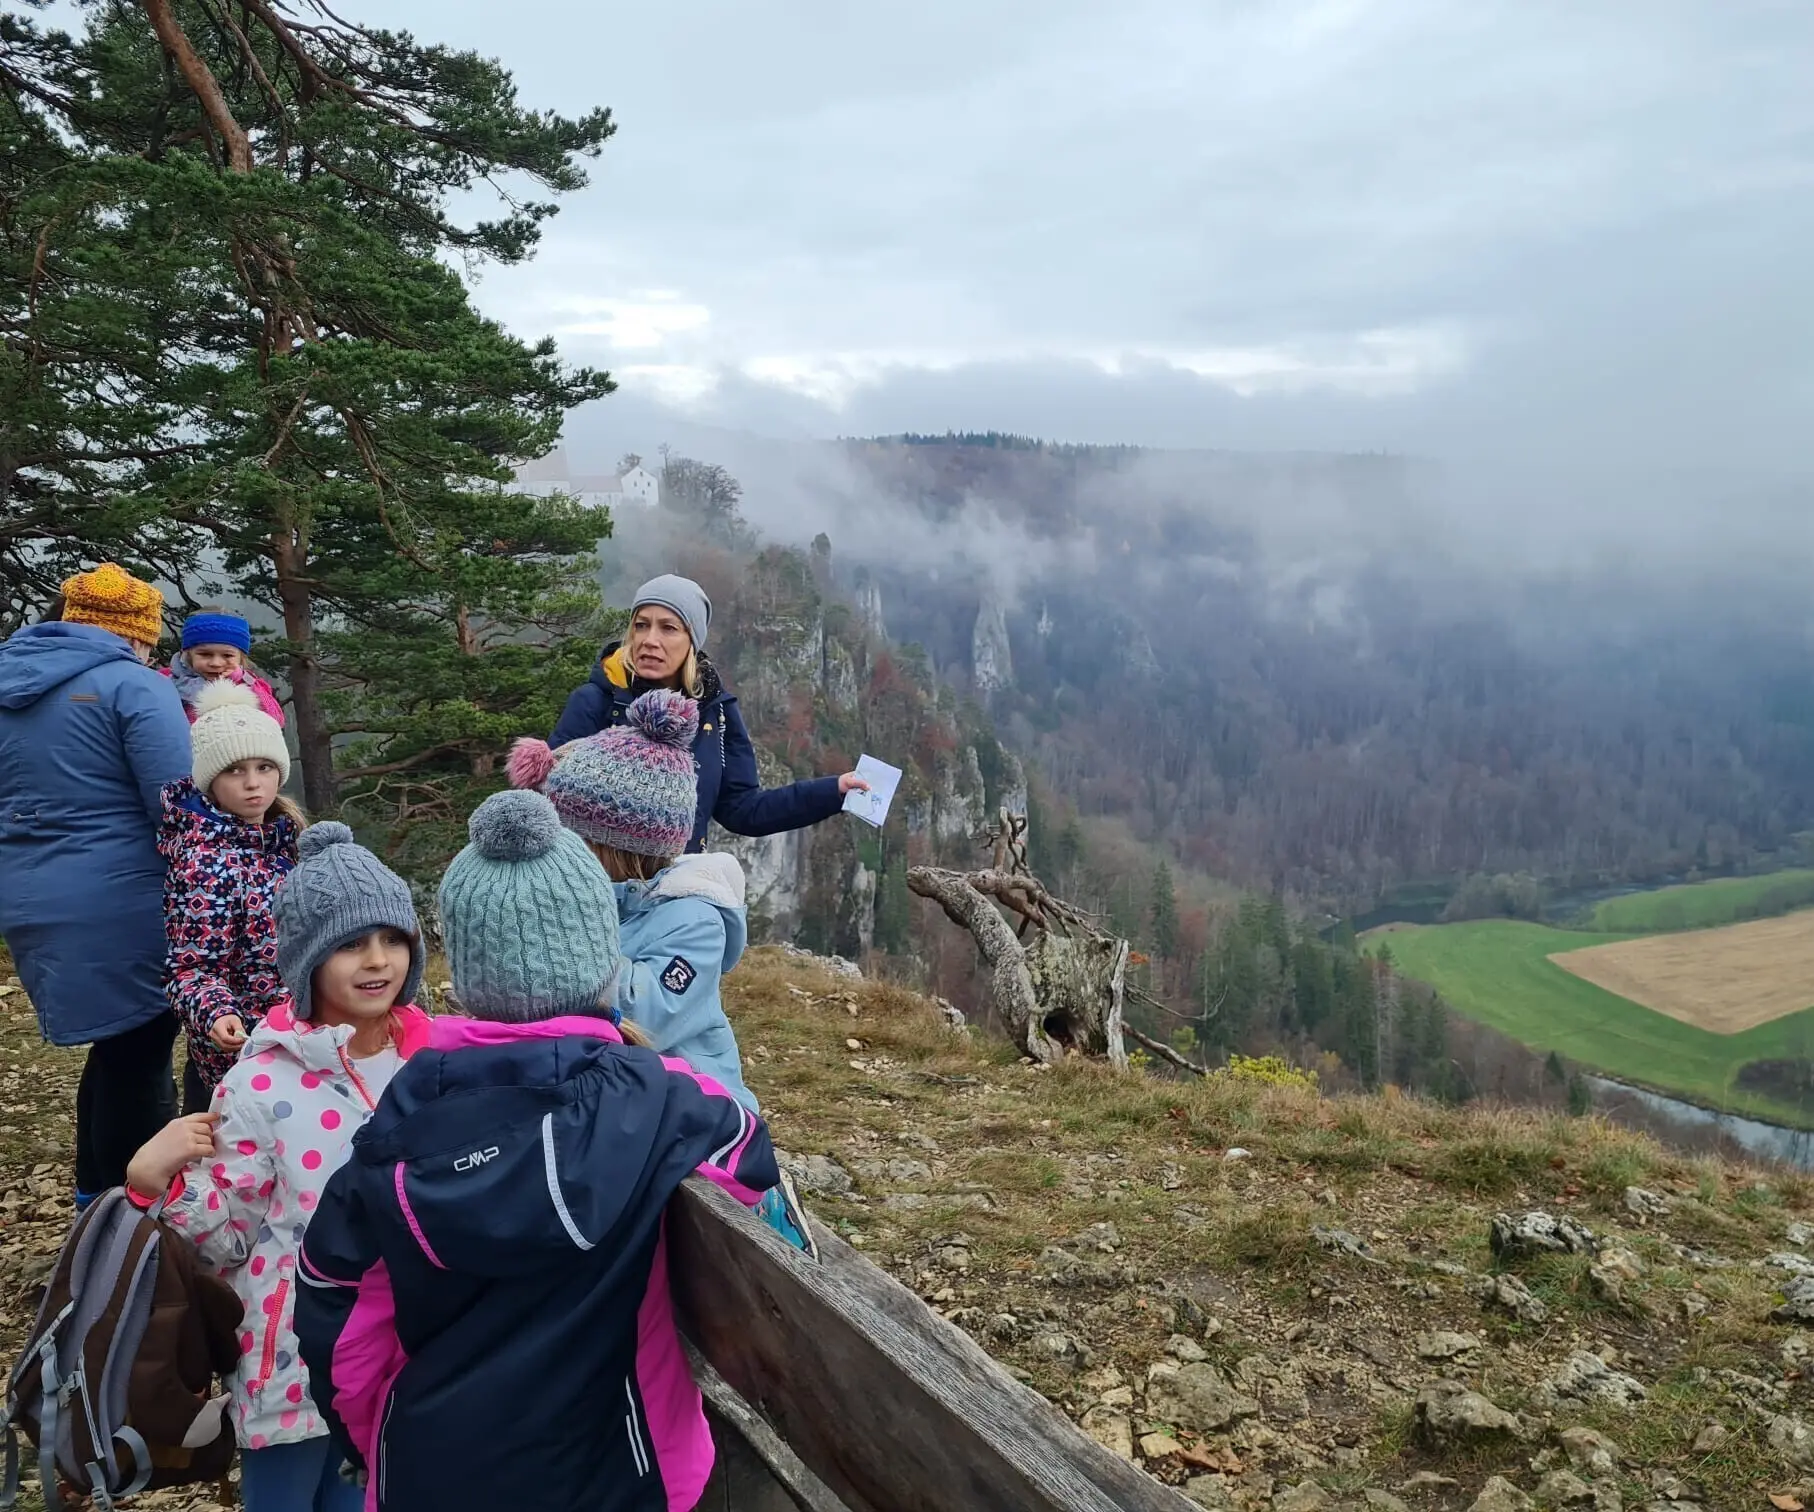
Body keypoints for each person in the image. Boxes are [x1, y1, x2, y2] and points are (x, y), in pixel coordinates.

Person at [295, 790, 782, 1512]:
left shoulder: (393, 1127)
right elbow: (747, 1169)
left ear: (467, 970)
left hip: (435, 1470)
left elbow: (337, 1315)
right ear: (597, 955)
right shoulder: (663, 1098)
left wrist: (376, 1443)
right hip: (623, 1468)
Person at [124, 822, 431, 1512]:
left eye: (391, 938)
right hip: (291, 1359)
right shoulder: (260, 1084)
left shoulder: (431, 1065)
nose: (376, 960)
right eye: (350, 943)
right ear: (306, 959)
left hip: (400, 1354)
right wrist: (156, 1184)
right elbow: (225, 1231)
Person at [0, 563, 193, 1207]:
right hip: (123, 896)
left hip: (26, 893)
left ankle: (92, 1200)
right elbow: (176, 805)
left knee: (118, 1049)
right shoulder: (134, 686)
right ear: (136, 633)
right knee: (142, 1054)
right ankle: (136, 1217)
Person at [510, 688, 755, 1111]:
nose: (557, 851)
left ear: (613, 848)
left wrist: (557, 931)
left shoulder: (696, 919)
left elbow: (646, 1014)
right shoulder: (596, 898)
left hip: (698, 1112)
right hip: (616, 1098)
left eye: (570, 839)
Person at [549, 573, 868, 853]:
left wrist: (834, 791)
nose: (649, 640)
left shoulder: (716, 713)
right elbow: (548, 799)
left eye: (668, 628)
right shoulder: (596, 701)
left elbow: (743, 809)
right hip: (596, 891)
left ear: (692, 641)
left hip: (675, 890)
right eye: (641, 625)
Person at [161, 682, 305, 1114]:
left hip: (301, 1034)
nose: (252, 783)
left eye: (264, 767)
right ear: (209, 779)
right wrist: (216, 1013)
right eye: (234, 770)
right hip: (245, 1048)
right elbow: (191, 968)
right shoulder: (204, 862)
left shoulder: (286, 838)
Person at [164, 609, 285, 726]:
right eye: (205, 654)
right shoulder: (165, 681)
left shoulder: (250, 683)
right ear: (187, 654)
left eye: (227, 655)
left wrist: (241, 681)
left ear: (241, 657)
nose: (216, 663)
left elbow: (276, 720)